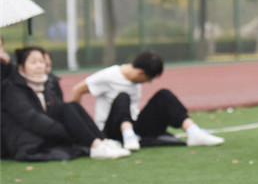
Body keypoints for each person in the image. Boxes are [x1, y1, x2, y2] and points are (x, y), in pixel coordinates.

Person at [71, 51, 224, 150]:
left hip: (135, 128)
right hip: (110, 130)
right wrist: (83, 128)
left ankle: (194, 132)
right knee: (123, 97)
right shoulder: (108, 76)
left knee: (164, 95)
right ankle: (128, 136)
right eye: (148, 79)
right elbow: (77, 90)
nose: (146, 83)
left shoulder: (136, 81)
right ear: (141, 72)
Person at [1, 46, 130, 161]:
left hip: (47, 132)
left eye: (41, 62)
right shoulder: (12, 88)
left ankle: (103, 141)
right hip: (29, 141)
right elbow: (31, 118)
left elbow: (57, 110)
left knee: (71, 106)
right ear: (21, 67)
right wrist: (67, 131)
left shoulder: (47, 83)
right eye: (33, 62)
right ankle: (95, 145)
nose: (39, 66)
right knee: (65, 108)